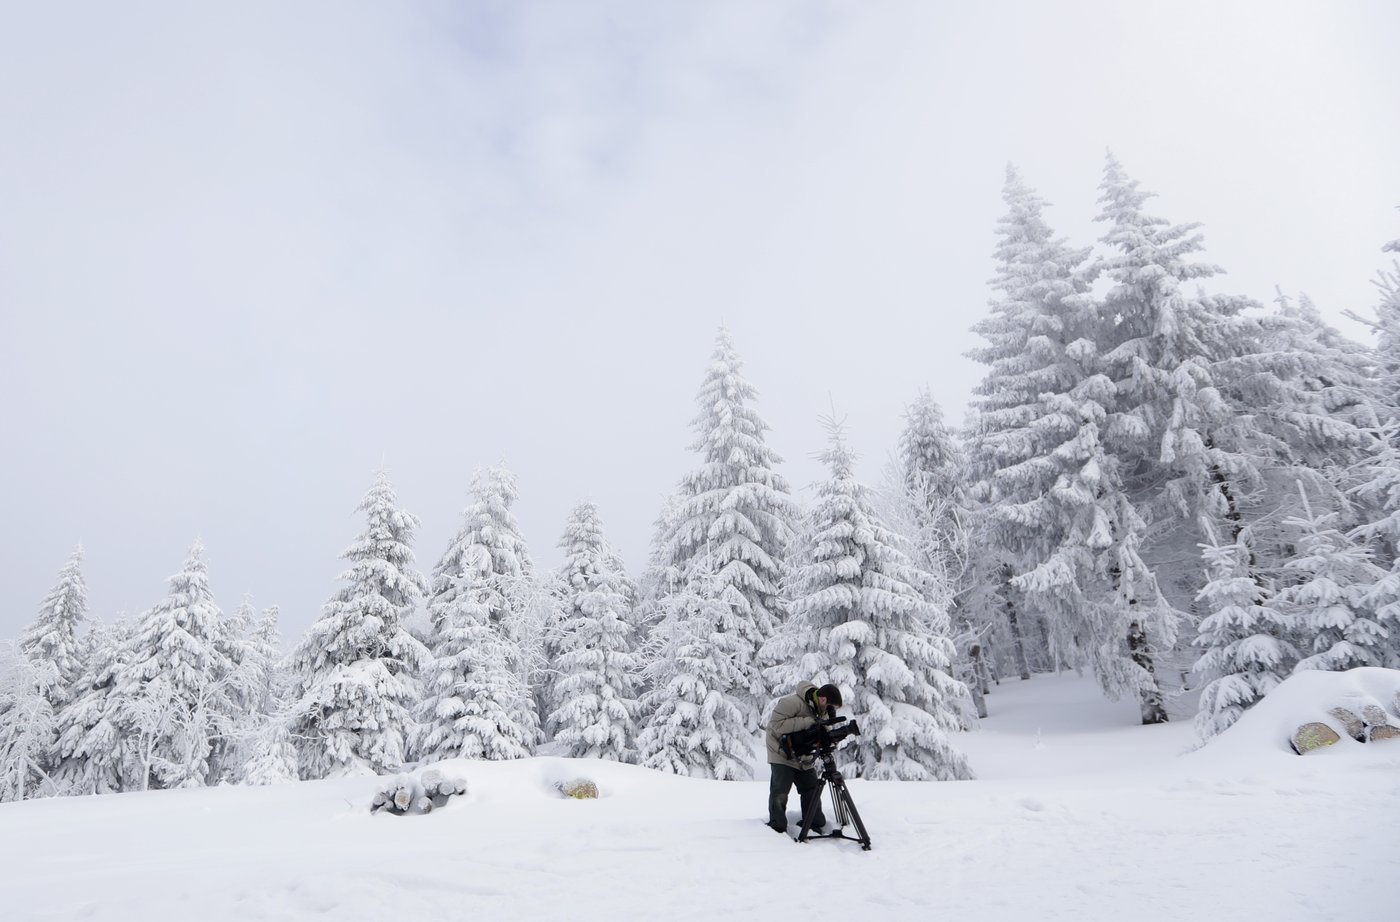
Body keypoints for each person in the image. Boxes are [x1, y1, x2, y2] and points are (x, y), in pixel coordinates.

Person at [765, 681, 843, 834]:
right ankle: (777, 827)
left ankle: (813, 822)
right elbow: (776, 725)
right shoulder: (791, 703)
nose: (831, 711)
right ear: (823, 699)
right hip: (781, 752)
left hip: (803, 755)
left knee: (811, 789)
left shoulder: (821, 711)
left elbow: (820, 730)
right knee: (780, 791)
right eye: (831, 707)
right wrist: (809, 722)